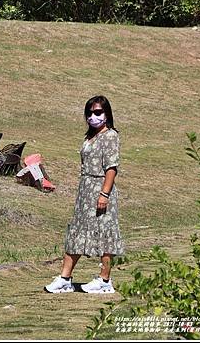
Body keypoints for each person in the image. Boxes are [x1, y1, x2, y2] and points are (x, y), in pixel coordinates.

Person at [44, 95, 124, 294]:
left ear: (106, 114)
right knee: (78, 232)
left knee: (105, 233)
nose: (93, 116)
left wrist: (104, 194)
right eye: (89, 113)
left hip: (100, 187)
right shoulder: (89, 137)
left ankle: (105, 280)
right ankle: (65, 278)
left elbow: (111, 168)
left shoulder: (110, 135)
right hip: (85, 191)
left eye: (97, 112)